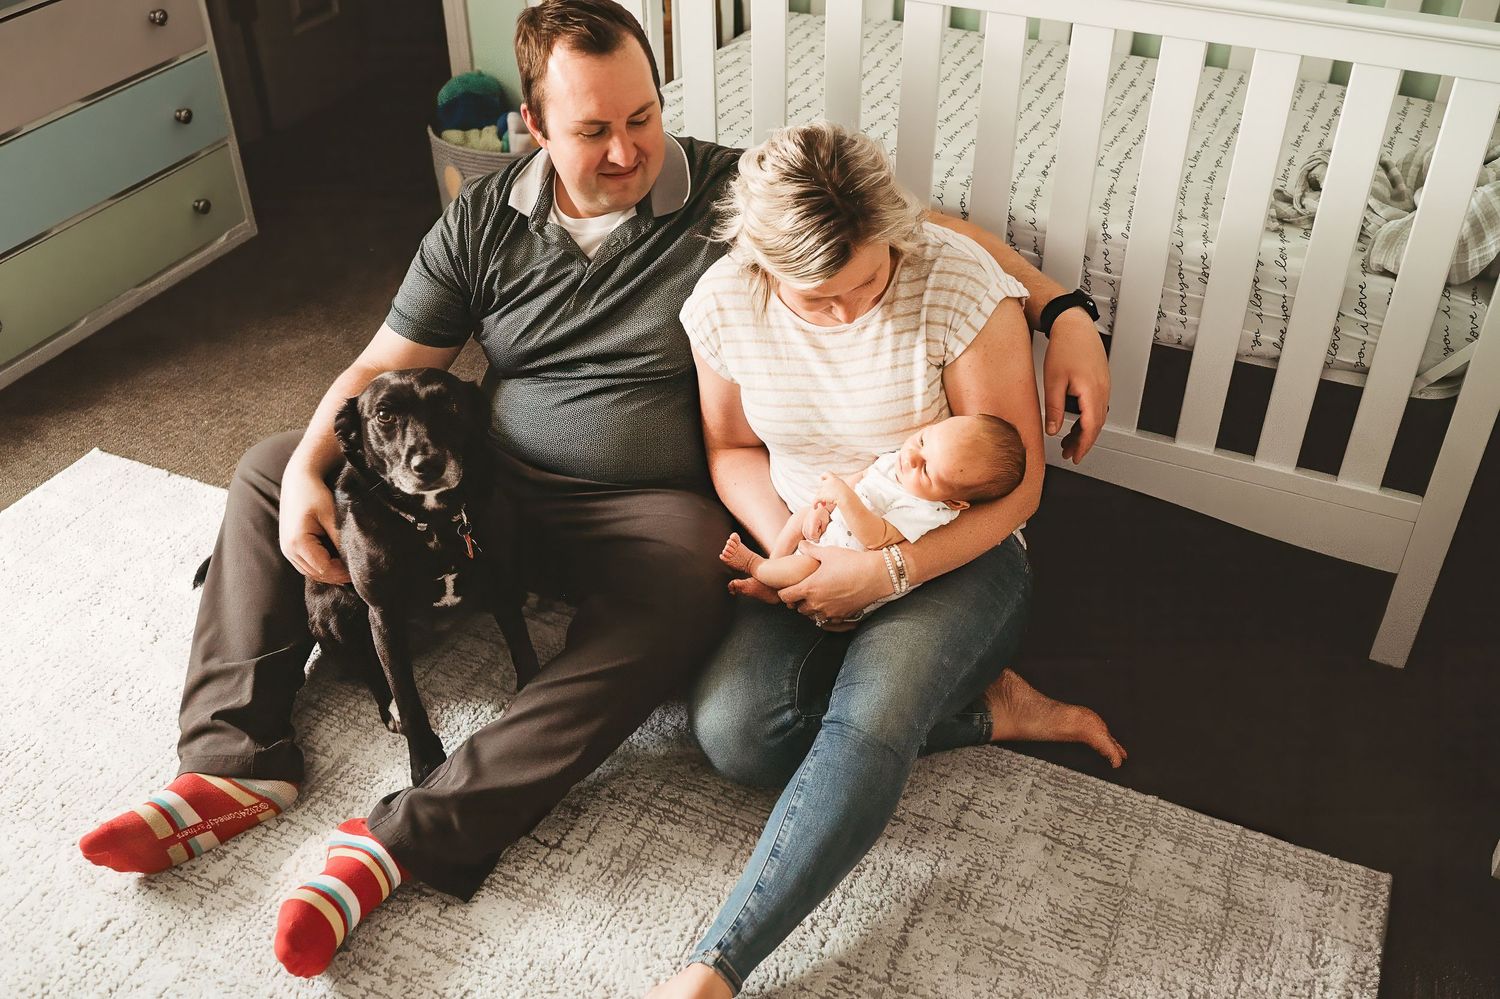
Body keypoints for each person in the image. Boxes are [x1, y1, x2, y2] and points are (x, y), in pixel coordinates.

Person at [75, 0, 1116, 978]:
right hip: (492, 484)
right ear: (531, 124)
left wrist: (1064, 308)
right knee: (268, 464)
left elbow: (911, 232)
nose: (626, 151)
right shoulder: (482, 221)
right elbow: (385, 358)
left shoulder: (722, 192)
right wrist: (311, 463)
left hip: (642, 510)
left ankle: (419, 831)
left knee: (682, 593)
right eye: (593, 131)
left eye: (644, 117)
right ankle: (232, 760)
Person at [647, 122, 1126, 999]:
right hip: (814, 543)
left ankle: (715, 967)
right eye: (816, 299)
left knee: (867, 720)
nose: (847, 311)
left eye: (867, 281)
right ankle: (983, 710)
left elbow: (1017, 489)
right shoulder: (724, 302)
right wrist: (789, 542)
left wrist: (887, 573)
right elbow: (730, 448)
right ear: (761, 266)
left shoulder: (955, 280)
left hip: (957, 557)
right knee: (736, 734)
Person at [719, 413, 1027, 621]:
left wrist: (842, 495)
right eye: (922, 440)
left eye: (928, 470)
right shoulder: (901, 460)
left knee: (804, 566)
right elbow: (862, 476)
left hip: (844, 564)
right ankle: (772, 573)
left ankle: (754, 565)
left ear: (954, 501)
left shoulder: (928, 511)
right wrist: (823, 508)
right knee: (797, 519)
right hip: (834, 529)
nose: (912, 457)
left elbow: (875, 536)